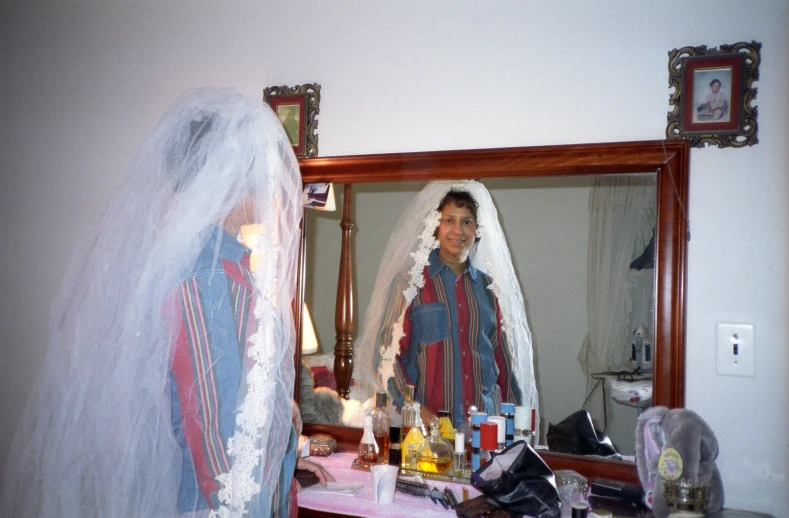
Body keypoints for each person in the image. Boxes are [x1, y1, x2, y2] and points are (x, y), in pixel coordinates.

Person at [1, 89, 331, 517]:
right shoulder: (205, 279)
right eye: (261, 174)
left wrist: (284, 464)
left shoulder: (229, 269)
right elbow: (213, 430)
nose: (272, 189)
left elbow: (246, 409)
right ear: (229, 180)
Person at [354, 181, 539, 431]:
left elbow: (503, 360)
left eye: (466, 221)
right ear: (435, 226)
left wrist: (516, 424)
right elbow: (387, 355)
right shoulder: (412, 282)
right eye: (449, 220)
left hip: (483, 426)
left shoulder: (488, 288)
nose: (457, 230)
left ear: (477, 228)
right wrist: (416, 409)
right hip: (427, 429)